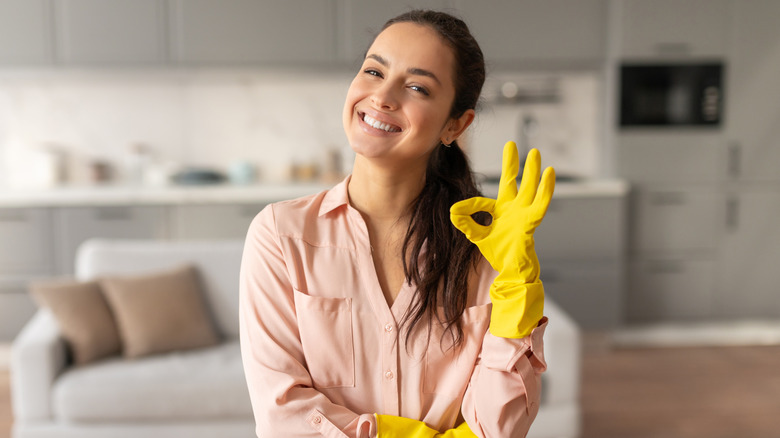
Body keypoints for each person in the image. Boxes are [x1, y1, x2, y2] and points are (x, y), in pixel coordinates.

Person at [239, 9, 555, 438]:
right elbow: (283, 418)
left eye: (417, 87)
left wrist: (518, 292)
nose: (382, 97)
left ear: (455, 125)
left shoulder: (485, 247)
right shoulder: (281, 235)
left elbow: (500, 427)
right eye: (373, 70)